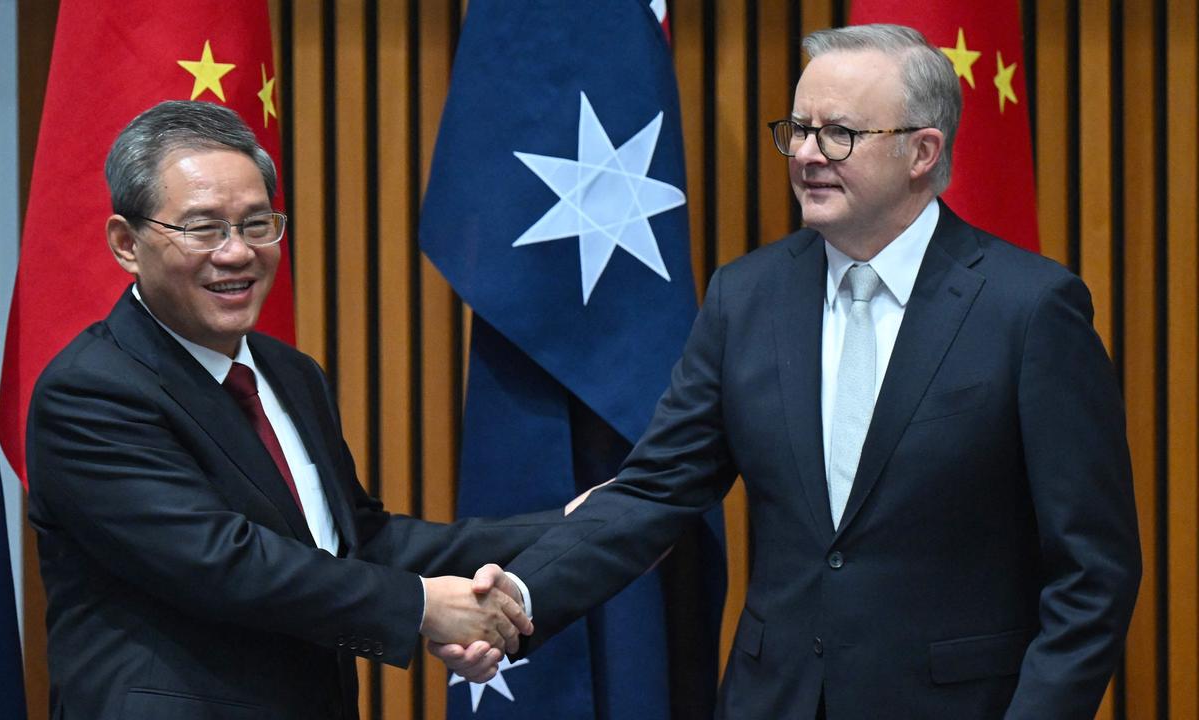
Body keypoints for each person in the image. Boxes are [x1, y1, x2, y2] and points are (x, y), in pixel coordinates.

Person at [438, 23, 1141, 719]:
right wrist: (521, 599)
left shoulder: (1029, 309)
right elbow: (654, 492)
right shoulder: (747, 298)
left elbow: (1093, 573)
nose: (807, 153)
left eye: (839, 134)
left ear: (922, 151)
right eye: (798, 129)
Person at [26, 100, 557, 720]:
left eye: (257, 224)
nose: (236, 253)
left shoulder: (288, 374)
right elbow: (223, 561)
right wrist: (420, 606)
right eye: (203, 228)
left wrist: (565, 526)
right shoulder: (90, 391)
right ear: (127, 243)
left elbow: (357, 541)